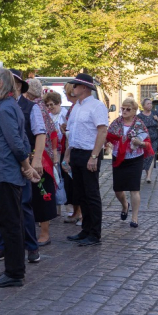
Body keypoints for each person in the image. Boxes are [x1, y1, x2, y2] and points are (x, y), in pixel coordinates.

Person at [0, 68, 40, 288]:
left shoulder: (6, 108)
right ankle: (11, 268)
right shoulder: (7, 106)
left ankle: (15, 273)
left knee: (11, 224)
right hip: (2, 173)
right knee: (9, 223)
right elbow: (22, 140)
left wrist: (26, 167)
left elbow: (17, 143)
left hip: (6, 174)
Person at [62, 73, 109, 246]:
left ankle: (95, 233)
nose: (73, 88)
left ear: (84, 88)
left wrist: (94, 156)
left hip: (89, 153)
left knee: (91, 194)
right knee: (80, 194)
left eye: (75, 86)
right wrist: (67, 155)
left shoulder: (96, 106)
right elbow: (72, 133)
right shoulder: (76, 107)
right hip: (76, 153)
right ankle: (86, 229)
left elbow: (102, 131)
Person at [106, 98, 154, 228]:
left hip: (134, 158)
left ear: (134, 111)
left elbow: (147, 143)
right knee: (118, 189)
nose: (125, 111)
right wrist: (107, 144)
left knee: (134, 188)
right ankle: (124, 205)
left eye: (128, 109)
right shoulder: (116, 123)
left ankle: (134, 218)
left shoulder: (139, 124)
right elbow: (108, 137)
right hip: (118, 158)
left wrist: (140, 143)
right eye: (123, 109)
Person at [24, 79, 58, 246]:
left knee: (41, 193)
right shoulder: (40, 107)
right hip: (40, 156)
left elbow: (46, 134)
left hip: (39, 157)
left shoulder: (35, 107)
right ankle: (39, 232)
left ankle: (44, 233)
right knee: (37, 194)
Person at [59, 83, 82, 224]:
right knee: (70, 183)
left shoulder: (78, 107)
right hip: (68, 148)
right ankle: (76, 211)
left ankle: (81, 213)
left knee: (78, 183)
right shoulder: (73, 108)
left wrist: (66, 130)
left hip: (76, 149)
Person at [136, 98, 158, 183]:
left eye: (151, 104)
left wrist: (157, 120)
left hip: (154, 139)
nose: (150, 105)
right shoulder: (139, 116)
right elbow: (137, 127)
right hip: (144, 139)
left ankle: (148, 176)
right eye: (148, 104)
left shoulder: (154, 114)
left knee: (152, 155)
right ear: (143, 106)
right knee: (145, 156)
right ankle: (146, 173)